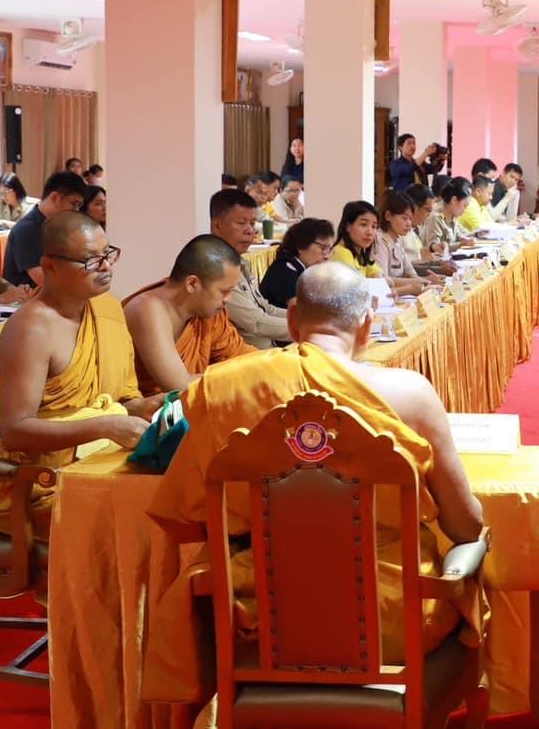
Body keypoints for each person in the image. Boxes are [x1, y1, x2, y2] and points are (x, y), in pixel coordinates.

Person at [146, 263, 485, 695]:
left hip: (263, 619)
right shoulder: (411, 394)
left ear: (292, 319)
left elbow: (190, 517)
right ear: (367, 324)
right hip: (390, 620)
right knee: (467, 590)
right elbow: (465, 525)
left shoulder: (226, 388)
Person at [0, 212, 164, 539]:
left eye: (107, 254)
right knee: (149, 512)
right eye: (91, 260)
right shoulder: (32, 329)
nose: (106, 267)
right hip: (41, 480)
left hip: (100, 457)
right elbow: (14, 432)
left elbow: (112, 401)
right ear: (50, 265)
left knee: (177, 488)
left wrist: (142, 407)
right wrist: (105, 426)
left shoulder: (107, 308)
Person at [123, 235, 252, 395]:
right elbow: (180, 386)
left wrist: (275, 362)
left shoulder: (207, 313)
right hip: (152, 408)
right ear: (192, 284)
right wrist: (246, 376)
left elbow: (239, 353)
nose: (228, 299)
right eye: (224, 291)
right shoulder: (148, 309)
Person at [210, 188, 290, 349]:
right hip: (246, 356)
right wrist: (310, 328)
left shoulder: (240, 261)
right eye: (241, 223)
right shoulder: (215, 268)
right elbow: (257, 323)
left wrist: (306, 318)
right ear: (217, 226)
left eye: (252, 223)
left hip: (269, 350)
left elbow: (266, 308)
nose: (250, 231)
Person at [3, 170, 86, 288]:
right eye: (74, 204)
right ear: (55, 198)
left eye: (79, 206)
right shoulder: (26, 230)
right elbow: (43, 279)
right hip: (28, 297)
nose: (76, 211)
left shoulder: (59, 226)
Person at [372, 190, 442, 296]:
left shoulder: (398, 239)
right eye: (404, 218)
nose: (409, 223)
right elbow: (383, 280)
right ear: (388, 216)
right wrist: (416, 282)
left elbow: (410, 271)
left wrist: (425, 281)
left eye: (410, 218)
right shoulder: (380, 241)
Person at [259, 217, 336, 309]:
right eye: (323, 248)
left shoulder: (304, 269)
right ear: (301, 244)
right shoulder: (285, 269)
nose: (327, 256)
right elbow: (300, 311)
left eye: (330, 249)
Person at [406, 187, 456, 276]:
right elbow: (405, 267)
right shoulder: (401, 231)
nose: (429, 215)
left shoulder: (413, 229)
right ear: (415, 208)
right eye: (428, 210)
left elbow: (417, 254)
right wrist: (440, 269)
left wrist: (432, 249)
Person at [329, 200, 384, 278]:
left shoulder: (361, 255)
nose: (369, 232)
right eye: (363, 224)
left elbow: (381, 280)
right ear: (347, 226)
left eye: (374, 226)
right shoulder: (342, 252)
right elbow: (355, 285)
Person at [421, 179, 472, 255]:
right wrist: (460, 245)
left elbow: (460, 235)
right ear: (454, 200)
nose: (465, 210)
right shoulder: (435, 218)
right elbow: (436, 249)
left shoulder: (453, 216)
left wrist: (470, 238)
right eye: (464, 205)